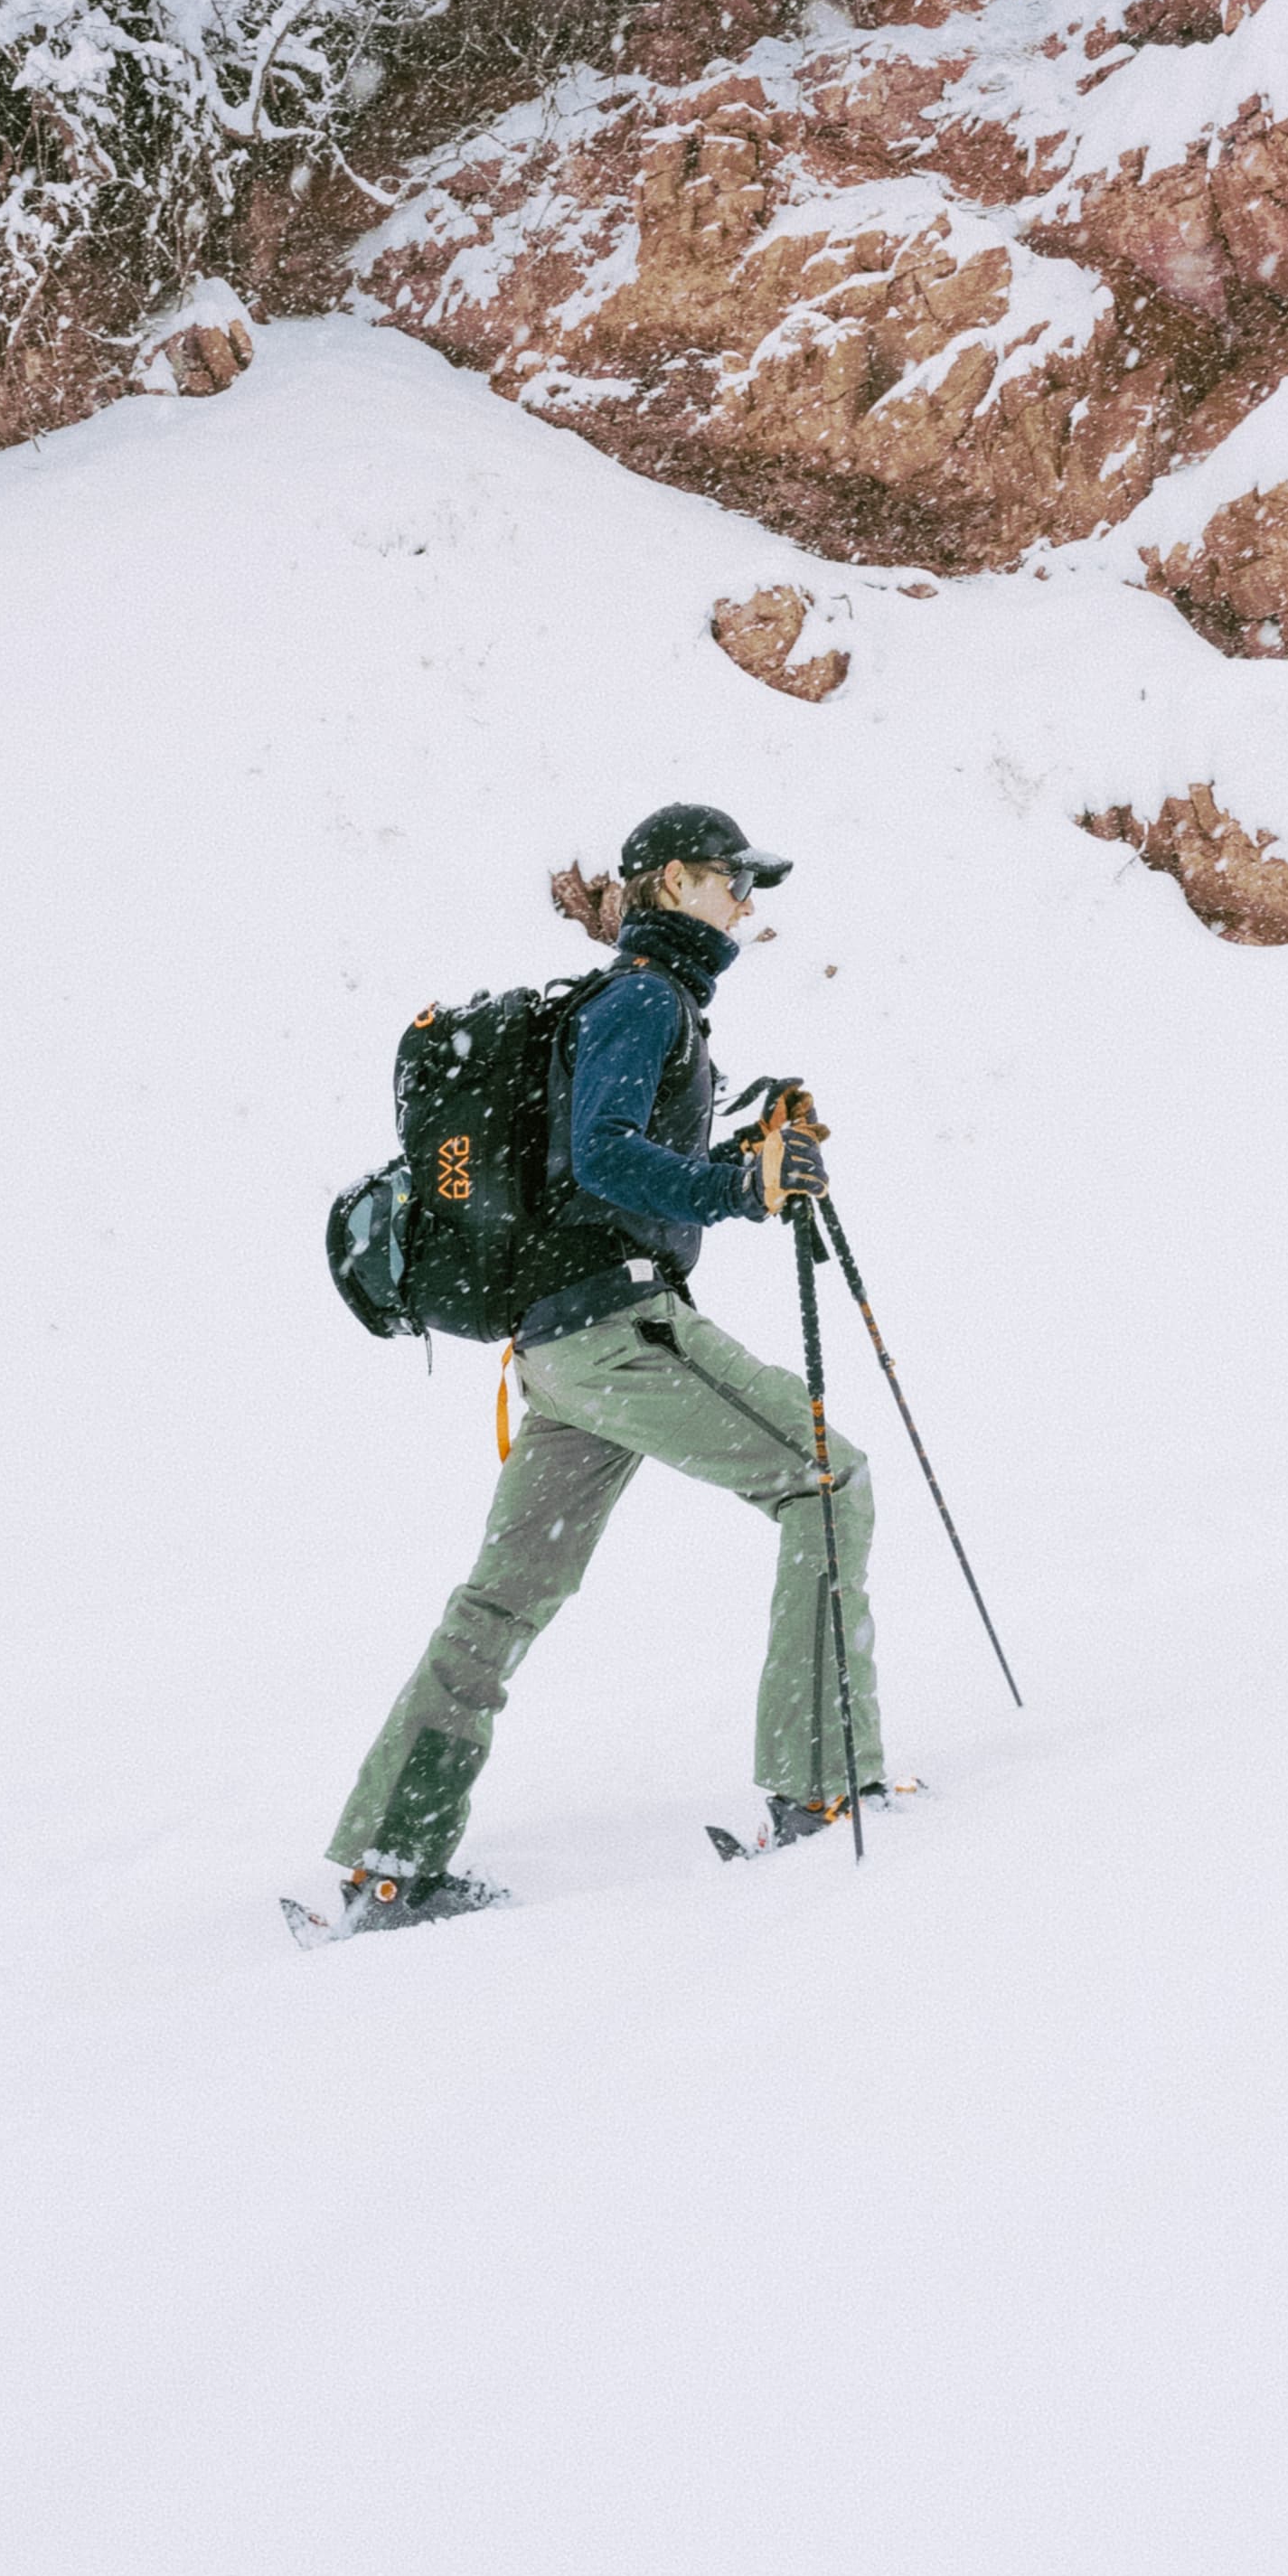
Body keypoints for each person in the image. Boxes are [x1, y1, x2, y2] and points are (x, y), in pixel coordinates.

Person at [320, 800, 882, 1929]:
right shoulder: (642, 1000)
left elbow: (600, 1170)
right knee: (827, 1478)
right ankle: (819, 1792)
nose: (748, 901)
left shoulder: (625, 1007)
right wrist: (744, 1186)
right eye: (734, 878)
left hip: (562, 1353)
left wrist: (741, 1155)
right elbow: (613, 1163)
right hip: (620, 1335)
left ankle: (395, 1858)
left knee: (501, 1602)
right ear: (673, 882)